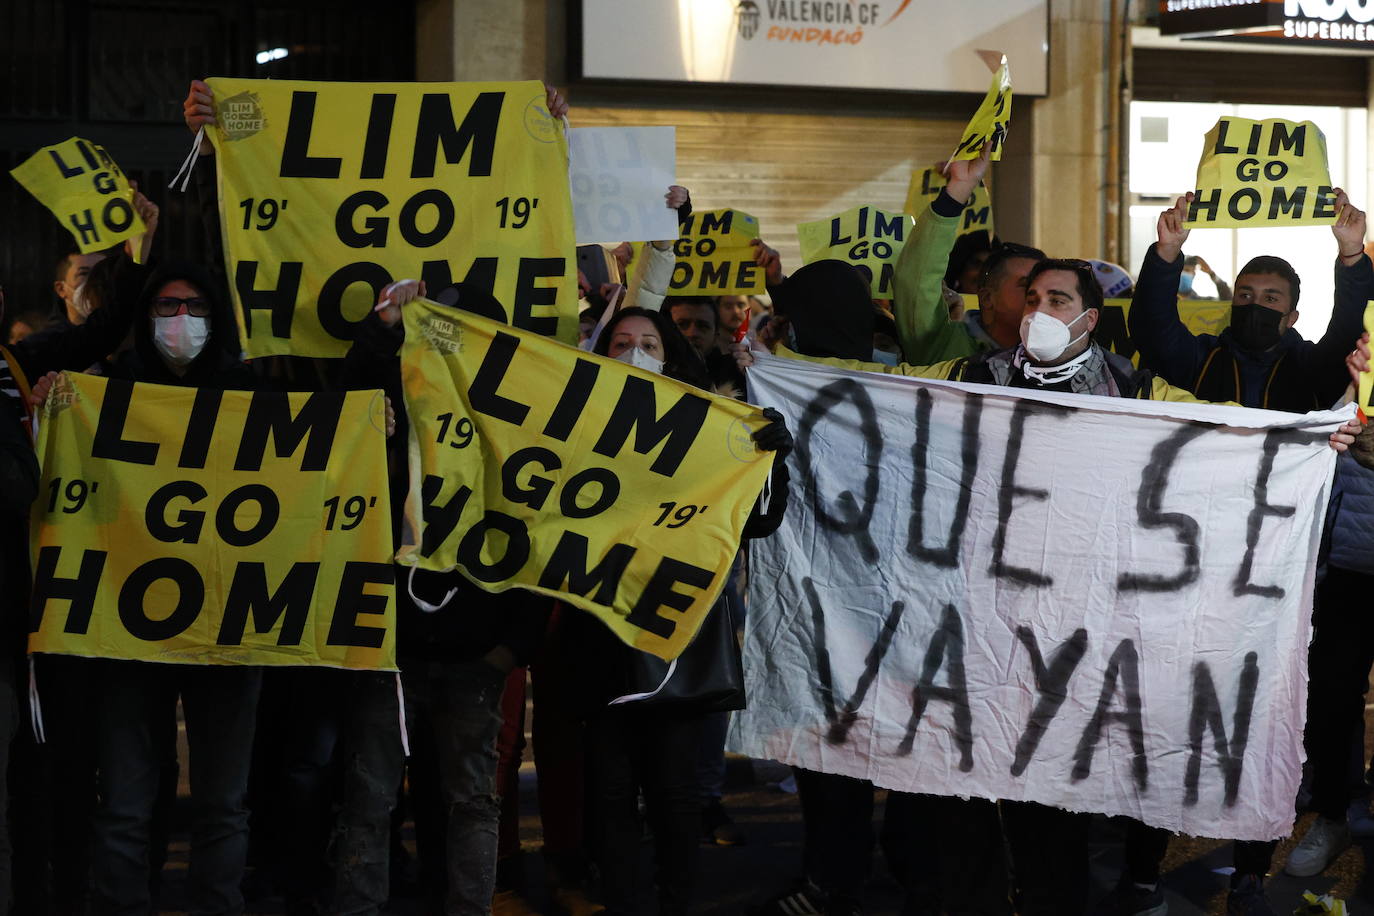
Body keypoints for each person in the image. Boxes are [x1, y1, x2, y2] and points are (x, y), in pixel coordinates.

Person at [739, 257, 1360, 916]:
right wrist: (777, 368)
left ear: (1089, 320)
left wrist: (1320, 431)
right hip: (968, 642)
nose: (1038, 309)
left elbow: (1232, 431)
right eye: (1031, 296)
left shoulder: (1135, 393)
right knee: (957, 820)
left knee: (1051, 826)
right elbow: (872, 388)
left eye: (1057, 299)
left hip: (1067, 654)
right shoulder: (971, 378)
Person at [574, 304, 790, 916]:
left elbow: (761, 520)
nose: (635, 352)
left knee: (674, 794)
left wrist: (772, 457)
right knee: (611, 796)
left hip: (677, 634)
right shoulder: (571, 427)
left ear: (670, 358)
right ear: (599, 350)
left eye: (649, 343)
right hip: (599, 636)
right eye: (621, 341)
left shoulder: (707, 430)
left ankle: (676, 902)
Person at [891, 144, 1045, 365]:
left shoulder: (1073, 360)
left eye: (1054, 294)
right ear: (987, 298)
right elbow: (916, 281)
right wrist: (959, 189)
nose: (1042, 299)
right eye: (1026, 285)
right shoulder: (946, 346)